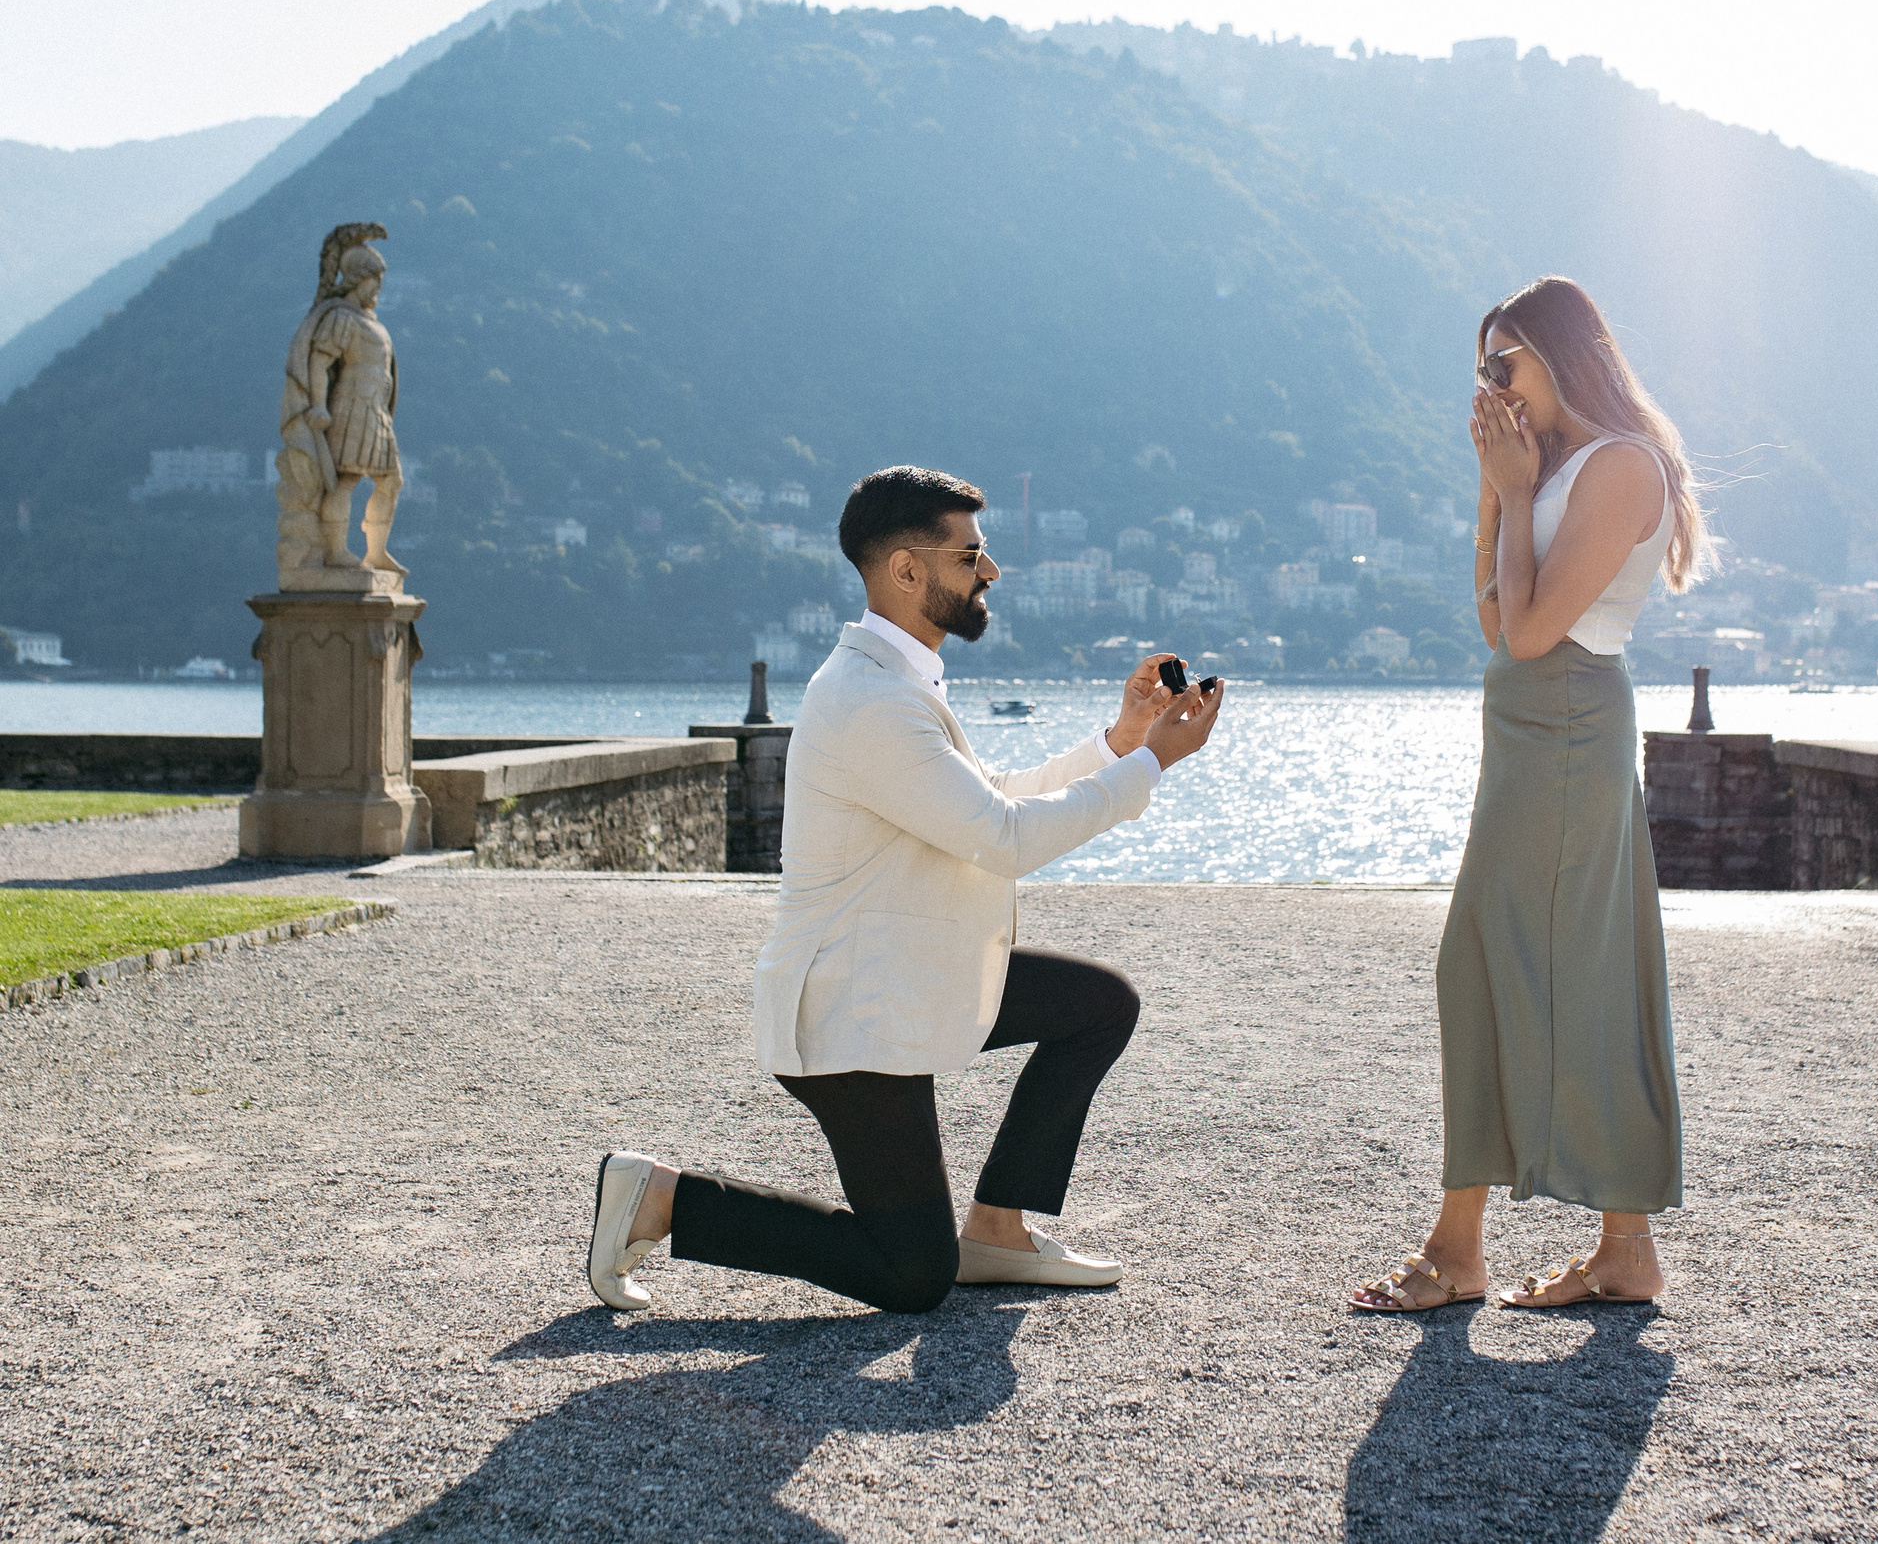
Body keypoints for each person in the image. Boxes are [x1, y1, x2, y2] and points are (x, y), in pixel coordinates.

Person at [585, 465, 1224, 1314]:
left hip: (904, 973)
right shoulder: (870, 699)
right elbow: (1004, 837)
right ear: (906, 571)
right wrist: (1153, 763)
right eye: (970, 555)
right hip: (851, 1009)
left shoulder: (895, 682)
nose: (990, 570)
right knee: (912, 1273)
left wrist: (1121, 741)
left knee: (1098, 1004)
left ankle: (998, 1231)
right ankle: (661, 1197)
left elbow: (988, 800)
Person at [1352, 276, 1709, 1313]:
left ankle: (1464, 1246)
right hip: (1530, 728)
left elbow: (1533, 633)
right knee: (1544, 967)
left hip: (1564, 721)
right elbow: (1492, 623)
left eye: (1504, 362)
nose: (1491, 384)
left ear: (1562, 354)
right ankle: (1613, 1248)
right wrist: (1494, 490)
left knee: (1500, 964)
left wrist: (1514, 497)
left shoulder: (1623, 465)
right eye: (1481, 368)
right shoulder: (1557, 468)